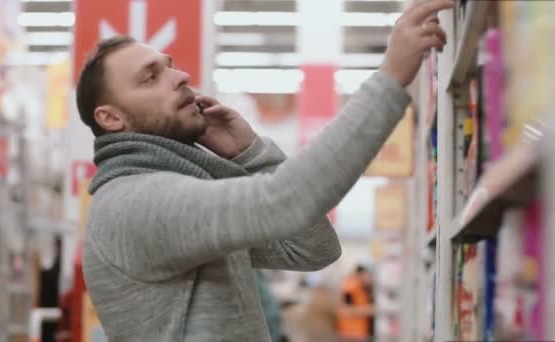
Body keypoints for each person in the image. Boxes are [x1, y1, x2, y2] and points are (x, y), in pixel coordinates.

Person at [78, 0, 451, 340]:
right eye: (149, 77)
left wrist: (251, 153)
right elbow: (284, 201)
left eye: (170, 66)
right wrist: (388, 80)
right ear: (111, 118)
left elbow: (312, 249)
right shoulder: (134, 203)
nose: (180, 77)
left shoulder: (182, 186)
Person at [336, 265, 375, 341]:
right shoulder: (350, 287)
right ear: (360, 274)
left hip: (358, 332)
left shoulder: (360, 288)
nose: (369, 278)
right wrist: (369, 310)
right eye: (367, 275)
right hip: (351, 333)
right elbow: (345, 310)